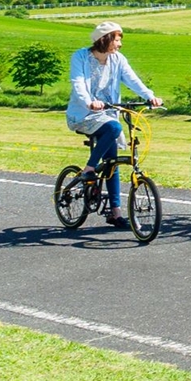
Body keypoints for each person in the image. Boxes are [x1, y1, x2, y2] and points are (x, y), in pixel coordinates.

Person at [65, 22, 162, 227]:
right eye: (117, 39)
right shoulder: (80, 57)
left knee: (112, 161)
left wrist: (150, 96)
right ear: (105, 39)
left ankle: (115, 212)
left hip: (108, 114)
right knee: (114, 128)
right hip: (84, 114)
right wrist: (89, 102)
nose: (119, 44)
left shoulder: (117, 59)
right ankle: (89, 168)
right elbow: (78, 83)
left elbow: (132, 79)